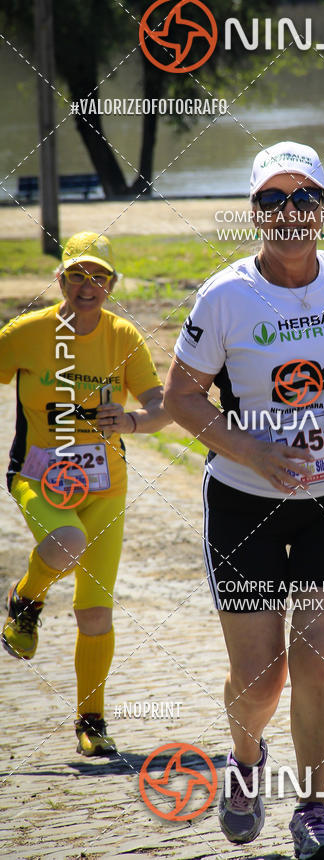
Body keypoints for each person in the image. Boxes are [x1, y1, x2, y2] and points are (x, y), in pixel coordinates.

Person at [164, 141, 324, 859]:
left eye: (305, 197)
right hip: (244, 502)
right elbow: (180, 396)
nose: (291, 212)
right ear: (254, 211)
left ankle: (314, 809)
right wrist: (255, 451)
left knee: (319, 657)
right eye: (273, 199)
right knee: (260, 673)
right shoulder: (225, 295)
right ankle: (244, 759)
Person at [1, 232, 170, 756]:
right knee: (66, 540)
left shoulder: (123, 337)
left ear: (112, 285)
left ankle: (90, 723)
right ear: (61, 281)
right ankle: (26, 599)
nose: (88, 286)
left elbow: (165, 403)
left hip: (105, 487)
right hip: (37, 475)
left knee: (95, 613)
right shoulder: (27, 333)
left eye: (99, 277)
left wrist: (136, 421)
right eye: (78, 275)